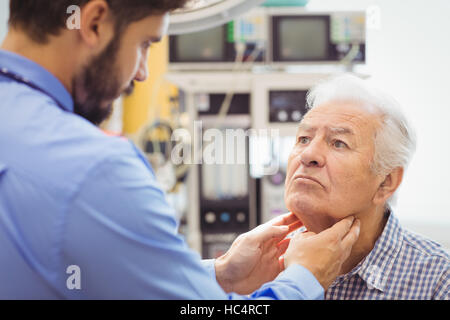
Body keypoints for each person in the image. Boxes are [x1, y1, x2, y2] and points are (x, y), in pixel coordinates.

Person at [0, 0, 360, 299]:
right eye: (144, 44)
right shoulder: (96, 171)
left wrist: (220, 276)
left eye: (340, 142)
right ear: (93, 23)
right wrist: (305, 279)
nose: (141, 73)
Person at [284, 74, 450, 299]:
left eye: (339, 143)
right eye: (304, 138)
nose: (308, 154)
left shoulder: (438, 280)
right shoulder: (258, 263)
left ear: (385, 182)